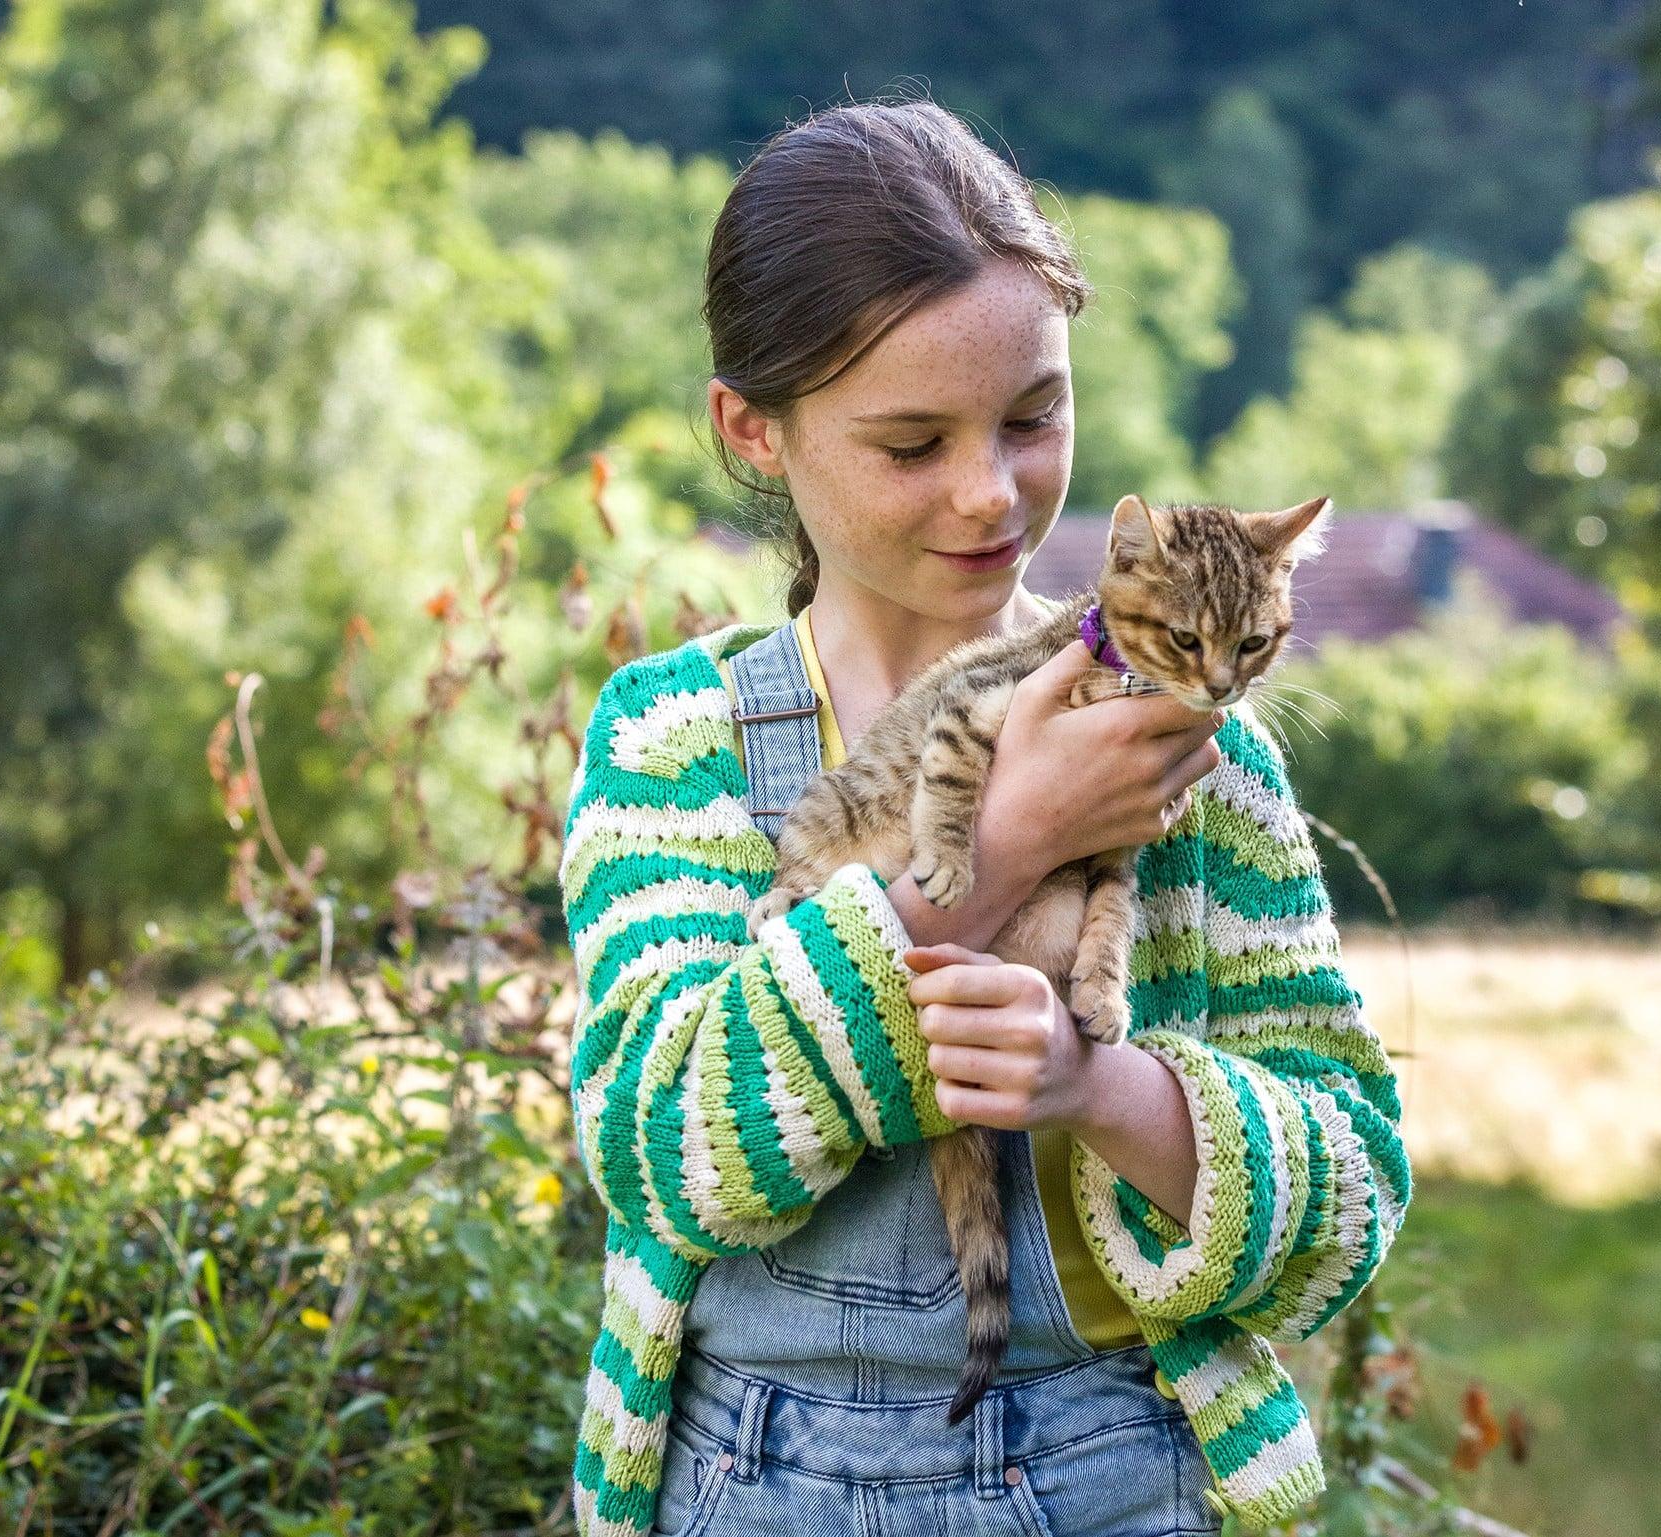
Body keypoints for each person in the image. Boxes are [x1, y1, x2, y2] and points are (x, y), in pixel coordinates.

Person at [559, 95, 1412, 1537]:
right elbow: (663, 1150)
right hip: (749, 1483)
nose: (988, 492)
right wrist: (1002, 841)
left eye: (1032, 416)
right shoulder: (677, 742)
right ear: (751, 431)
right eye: (910, 443)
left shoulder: (1204, 760)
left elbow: (1344, 1208)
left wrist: (1103, 1090)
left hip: (1119, 1468)